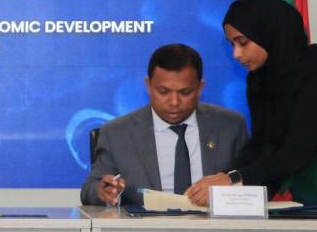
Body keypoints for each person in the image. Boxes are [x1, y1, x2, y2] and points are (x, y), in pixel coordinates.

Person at [185, 0, 317, 207]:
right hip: (304, 184)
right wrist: (224, 181)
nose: (236, 54)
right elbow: (262, 144)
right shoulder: (259, 79)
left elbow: (296, 151)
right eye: (232, 44)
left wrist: (233, 179)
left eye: (243, 42)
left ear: (269, 33)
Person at [80, 44, 249, 206]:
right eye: (163, 92)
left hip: (215, 224)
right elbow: (90, 189)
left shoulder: (231, 127)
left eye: (185, 92)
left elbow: (252, 182)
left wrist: (232, 183)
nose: (174, 102)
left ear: (200, 88)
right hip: (144, 225)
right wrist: (102, 192)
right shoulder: (116, 133)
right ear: (148, 86)